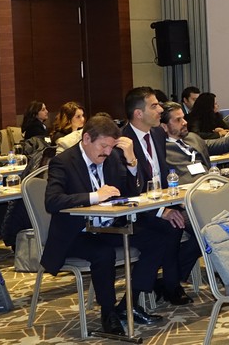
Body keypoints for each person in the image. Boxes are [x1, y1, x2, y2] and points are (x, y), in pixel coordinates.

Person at [42, 114, 165, 336]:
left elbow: (132, 193)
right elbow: (52, 201)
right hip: (77, 233)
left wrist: (132, 162)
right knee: (103, 253)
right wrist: (94, 196)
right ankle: (108, 313)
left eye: (111, 147)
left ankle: (129, 303)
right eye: (103, 146)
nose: (107, 152)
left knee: (157, 238)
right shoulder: (63, 162)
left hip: (108, 226)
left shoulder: (112, 158)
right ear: (86, 139)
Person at [121, 87, 195, 305]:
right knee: (171, 227)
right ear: (138, 113)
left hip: (163, 202)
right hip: (136, 212)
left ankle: (169, 281)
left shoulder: (157, 134)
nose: (160, 110)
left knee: (203, 225)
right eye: (154, 106)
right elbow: (128, 190)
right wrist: (161, 211)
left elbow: (161, 176)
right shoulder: (123, 142)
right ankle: (170, 285)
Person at [162, 102, 229, 183]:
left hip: (209, 184)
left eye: (183, 118)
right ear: (164, 126)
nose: (185, 122)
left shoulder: (192, 138)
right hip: (186, 190)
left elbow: (225, 143)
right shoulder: (162, 149)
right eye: (178, 120)